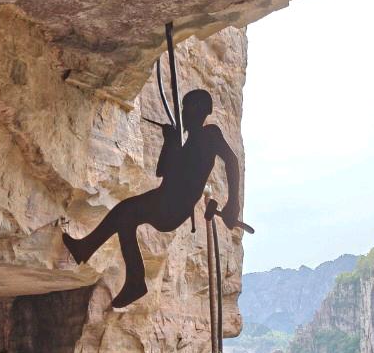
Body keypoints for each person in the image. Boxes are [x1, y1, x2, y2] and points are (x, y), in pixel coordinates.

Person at [62, 88, 241, 308]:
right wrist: (170, 142)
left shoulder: (209, 135)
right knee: (124, 215)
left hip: (173, 206)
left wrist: (233, 203)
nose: (185, 113)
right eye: (184, 109)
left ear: (202, 111)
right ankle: (110, 263)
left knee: (125, 212)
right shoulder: (184, 144)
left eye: (189, 109)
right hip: (165, 198)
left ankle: (119, 269)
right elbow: (162, 171)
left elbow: (231, 162)